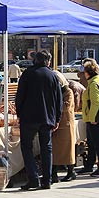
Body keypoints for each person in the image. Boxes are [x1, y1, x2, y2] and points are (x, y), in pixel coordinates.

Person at [16, 50, 62, 190]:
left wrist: (19, 113)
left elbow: (20, 96)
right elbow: (58, 100)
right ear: (48, 61)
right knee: (46, 148)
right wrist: (57, 118)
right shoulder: (52, 76)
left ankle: (33, 177)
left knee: (26, 147)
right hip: (47, 117)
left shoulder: (28, 74)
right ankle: (47, 180)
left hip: (29, 117)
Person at [79, 59, 99, 177]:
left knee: (98, 144)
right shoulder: (96, 81)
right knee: (92, 144)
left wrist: (93, 118)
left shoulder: (93, 84)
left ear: (88, 73)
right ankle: (89, 166)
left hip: (96, 120)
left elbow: (96, 102)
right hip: (93, 119)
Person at [52, 71, 77, 182]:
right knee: (55, 150)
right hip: (56, 124)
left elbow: (66, 106)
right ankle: (54, 173)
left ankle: (71, 171)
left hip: (66, 123)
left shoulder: (68, 91)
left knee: (67, 149)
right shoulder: (55, 92)